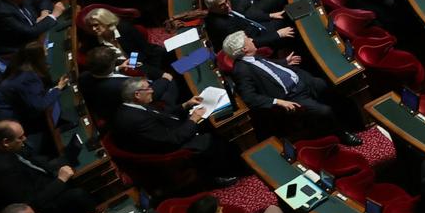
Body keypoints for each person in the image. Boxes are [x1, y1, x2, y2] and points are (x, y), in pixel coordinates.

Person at [220, 33, 365, 146]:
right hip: (292, 96)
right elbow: (250, 98)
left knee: (329, 86)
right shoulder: (242, 70)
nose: (251, 39)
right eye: (248, 39)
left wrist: (284, 62)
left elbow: (267, 68)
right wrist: (278, 102)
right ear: (245, 49)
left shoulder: (252, 56)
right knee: (325, 111)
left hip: (302, 79)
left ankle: (356, 121)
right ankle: (341, 133)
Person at [110, 77, 243, 185]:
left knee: (209, 126)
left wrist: (185, 105)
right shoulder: (136, 119)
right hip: (169, 151)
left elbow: (162, 114)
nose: (152, 90)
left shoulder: (133, 106)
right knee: (209, 140)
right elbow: (172, 140)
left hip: (169, 131)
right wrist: (193, 120)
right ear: (137, 94)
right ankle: (222, 174)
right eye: (148, 88)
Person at [0, 119, 96, 213]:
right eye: (20, 137)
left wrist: (61, 162)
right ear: (5, 142)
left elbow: (32, 161)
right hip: (41, 205)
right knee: (78, 194)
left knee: (67, 160)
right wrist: (60, 180)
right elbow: (31, 204)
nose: (25, 139)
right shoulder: (5, 172)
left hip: (37, 178)